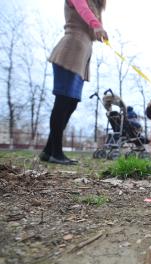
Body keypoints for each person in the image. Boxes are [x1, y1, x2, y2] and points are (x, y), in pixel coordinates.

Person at [39, 0, 108, 165]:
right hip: (70, 50)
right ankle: (56, 152)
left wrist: (99, 33)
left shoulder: (97, 5)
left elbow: (92, 27)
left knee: (71, 103)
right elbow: (83, 10)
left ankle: (48, 151)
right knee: (62, 101)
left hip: (82, 56)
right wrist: (96, 25)